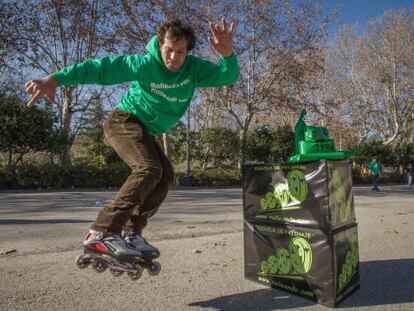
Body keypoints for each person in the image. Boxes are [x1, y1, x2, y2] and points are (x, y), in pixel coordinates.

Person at [25, 18, 239, 260]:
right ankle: (102, 231)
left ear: (187, 52)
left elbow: (227, 76)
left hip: (144, 131)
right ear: (160, 46)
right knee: (148, 169)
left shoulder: (194, 70)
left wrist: (228, 54)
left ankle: (131, 233)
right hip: (123, 121)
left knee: (164, 176)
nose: (173, 58)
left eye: (180, 52)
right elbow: (100, 69)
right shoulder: (145, 64)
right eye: (168, 50)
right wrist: (54, 79)